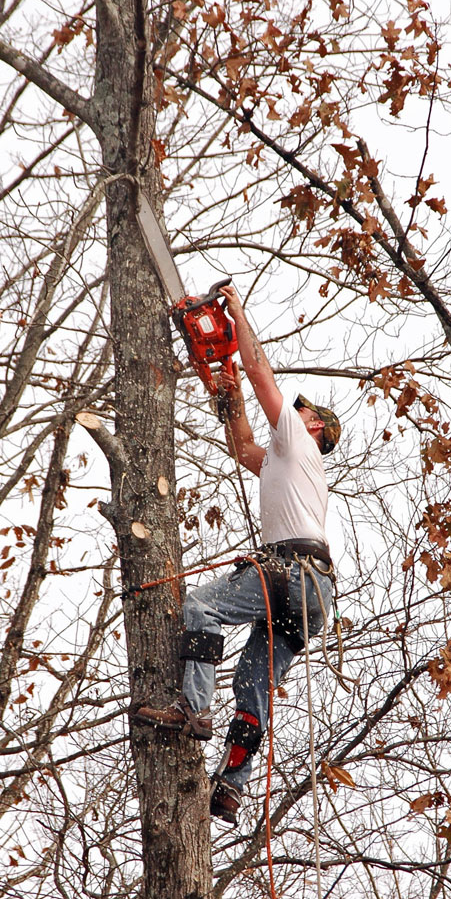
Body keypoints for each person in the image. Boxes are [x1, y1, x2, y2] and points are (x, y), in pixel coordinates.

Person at [131, 285, 340, 825]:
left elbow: (261, 372)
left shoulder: (299, 438)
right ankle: (230, 786)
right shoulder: (282, 460)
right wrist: (225, 392)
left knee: (202, 607)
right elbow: (242, 445)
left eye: (303, 413)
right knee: (253, 684)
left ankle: (193, 709)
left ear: (313, 426)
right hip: (315, 596)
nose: (295, 414)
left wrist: (239, 315)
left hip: (290, 568)